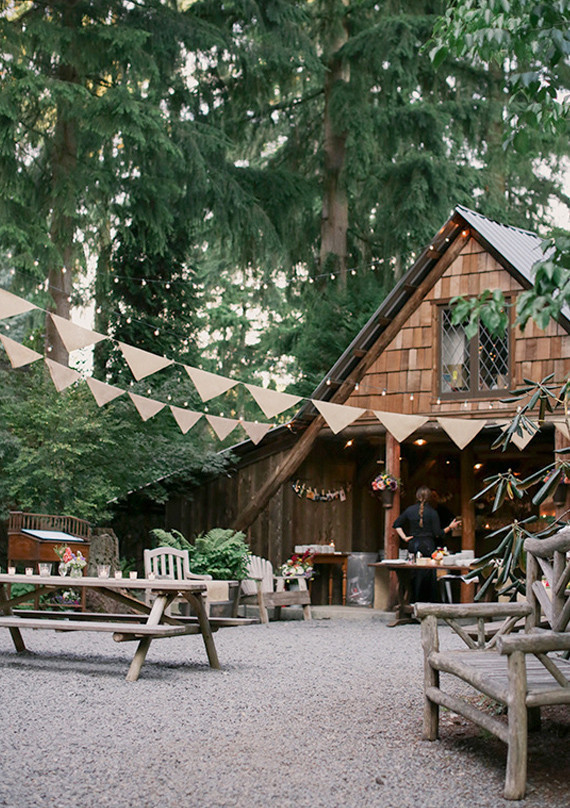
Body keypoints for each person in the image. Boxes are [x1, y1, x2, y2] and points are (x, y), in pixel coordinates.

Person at [393, 485, 461, 602]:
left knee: (413, 574)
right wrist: (450, 527)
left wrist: (404, 538)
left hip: (413, 544)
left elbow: (396, 524)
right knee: (427, 576)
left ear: (417, 496)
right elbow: (438, 533)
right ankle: (427, 603)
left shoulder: (410, 510)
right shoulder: (433, 513)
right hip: (428, 545)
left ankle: (412, 601)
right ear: (430, 498)